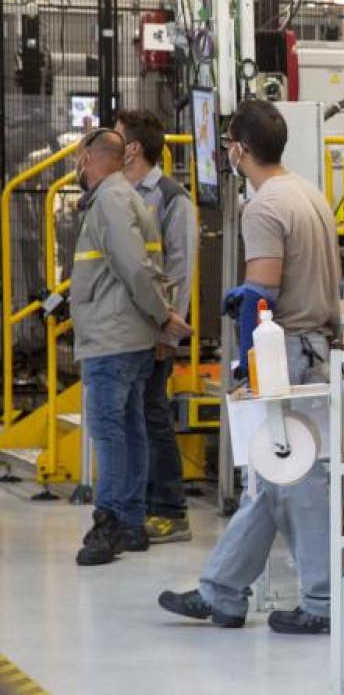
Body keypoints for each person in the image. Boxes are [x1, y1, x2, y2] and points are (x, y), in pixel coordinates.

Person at [158, 99, 343, 634]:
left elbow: (260, 293)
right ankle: (224, 593)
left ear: (238, 149)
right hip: (313, 346)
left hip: (284, 353)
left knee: (299, 482)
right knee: (273, 477)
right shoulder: (310, 194)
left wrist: (245, 366)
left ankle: (325, 602)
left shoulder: (264, 207)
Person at [70, 128, 191, 566]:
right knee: (131, 429)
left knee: (110, 432)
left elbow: (135, 269)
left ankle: (112, 524)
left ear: (89, 157)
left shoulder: (110, 200)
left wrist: (162, 316)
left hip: (112, 337)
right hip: (129, 335)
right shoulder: (129, 197)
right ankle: (134, 521)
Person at [115, 110, 198, 545]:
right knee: (135, 419)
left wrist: (170, 335)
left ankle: (171, 510)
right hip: (126, 332)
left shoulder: (171, 198)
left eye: (115, 137)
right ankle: (141, 505)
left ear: (132, 148)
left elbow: (180, 271)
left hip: (156, 332)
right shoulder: (118, 194)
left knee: (154, 415)